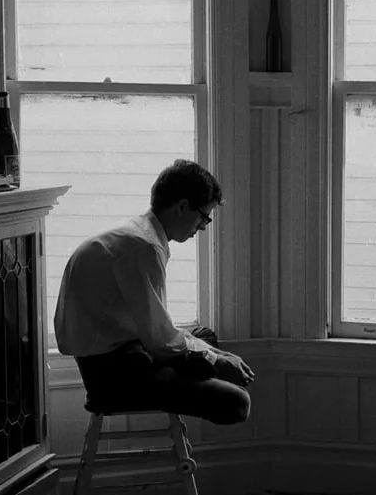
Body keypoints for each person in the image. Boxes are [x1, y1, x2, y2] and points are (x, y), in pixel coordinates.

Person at [54, 159, 253, 425]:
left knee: (205, 337)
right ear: (183, 206)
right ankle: (198, 370)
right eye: (204, 217)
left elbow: (157, 331)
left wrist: (212, 355)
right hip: (113, 373)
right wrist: (215, 359)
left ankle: (197, 368)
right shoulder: (144, 248)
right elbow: (160, 339)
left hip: (121, 350)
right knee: (238, 403)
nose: (203, 227)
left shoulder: (137, 234)